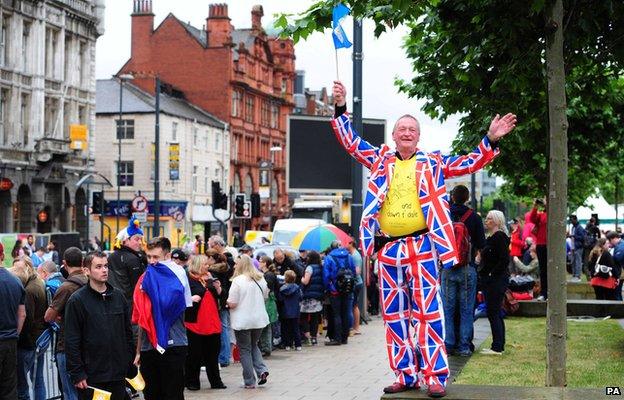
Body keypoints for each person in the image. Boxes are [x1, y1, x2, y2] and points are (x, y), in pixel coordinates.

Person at [330, 81, 515, 397]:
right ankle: (405, 374)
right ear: (393, 135)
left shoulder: (433, 162)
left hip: (424, 247)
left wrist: (489, 140)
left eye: (411, 130)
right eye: (401, 129)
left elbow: (468, 162)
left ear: (418, 136)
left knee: (429, 312)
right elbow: (351, 143)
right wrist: (340, 107)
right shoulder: (380, 159)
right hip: (389, 249)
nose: (405, 133)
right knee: (394, 314)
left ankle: (435, 376)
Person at [64, 251, 135, 400]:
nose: (104, 270)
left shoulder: (118, 297)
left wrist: (128, 361)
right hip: (92, 376)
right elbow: (72, 340)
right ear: (86, 271)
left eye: (106, 266)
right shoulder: (77, 301)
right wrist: (77, 373)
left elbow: (127, 333)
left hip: (118, 374)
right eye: (98, 266)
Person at [132, 236, 192, 400]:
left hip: (173, 344)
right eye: (148, 256)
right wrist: (138, 351)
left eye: (156, 257)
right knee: (151, 394)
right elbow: (142, 318)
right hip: (148, 346)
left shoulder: (177, 274)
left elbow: (169, 305)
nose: (151, 261)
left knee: (172, 394)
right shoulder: (146, 277)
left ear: (167, 256)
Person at [440, 185, 485, 357]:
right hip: (467, 267)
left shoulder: (444, 214)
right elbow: (481, 243)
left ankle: (449, 344)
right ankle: (465, 345)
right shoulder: (473, 217)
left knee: (448, 308)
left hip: (447, 267)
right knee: (467, 309)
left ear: (452, 196)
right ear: (467, 198)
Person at [44, 247, 86, 400]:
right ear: (82, 262)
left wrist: (59, 317)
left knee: (69, 392)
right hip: (88, 344)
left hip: (66, 345)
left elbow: (48, 316)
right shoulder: (90, 281)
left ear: (64, 263)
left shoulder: (66, 287)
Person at [227, 254, 270, 389]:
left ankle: (249, 381)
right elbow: (265, 297)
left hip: (243, 321)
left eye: (236, 263)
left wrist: (226, 303)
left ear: (240, 265)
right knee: (253, 345)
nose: (234, 265)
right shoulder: (261, 278)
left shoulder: (238, 280)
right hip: (259, 319)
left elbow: (233, 303)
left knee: (244, 349)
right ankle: (262, 370)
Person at [184, 255, 225, 391]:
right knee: (194, 355)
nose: (208, 267)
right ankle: (192, 382)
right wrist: (191, 298)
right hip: (195, 323)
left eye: (208, 264)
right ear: (197, 265)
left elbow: (220, 296)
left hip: (212, 322)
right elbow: (181, 297)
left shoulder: (210, 277)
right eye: (205, 264)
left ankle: (216, 381)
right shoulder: (188, 279)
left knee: (213, 355)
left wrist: (218, 289)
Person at [11, 256, 47, 400]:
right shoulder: (36, 282)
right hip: (37, 339)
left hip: (29, 342)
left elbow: (27, 318)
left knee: (23, 385)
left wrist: (18, 337)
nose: (16, 274)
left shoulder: (30, 289)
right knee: (37, 379)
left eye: (18, 269)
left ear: (27, 268)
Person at [476, 210, 510, 356]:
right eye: (487, 218)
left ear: (496, 221)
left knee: (493, 312)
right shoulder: (491, 238)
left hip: (495, 280)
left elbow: (504, 259)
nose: (486, 220)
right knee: (493, 312)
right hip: (490, 279)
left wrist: (492, 273)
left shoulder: (500, 237)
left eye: (489, 219)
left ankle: (497, 346)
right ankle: (498, 344)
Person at [0, 243, 26, 400]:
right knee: (9, 390)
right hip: (9, 341)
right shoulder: (15, 281)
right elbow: (22, 314)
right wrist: (14, 334)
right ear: (2, 256)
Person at [107, 217, 147, 310]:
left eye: (141, 240)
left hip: (113, 303)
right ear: (125, 240)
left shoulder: (111, 256)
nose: (140, 243)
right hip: (130, 306)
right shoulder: (133, 259)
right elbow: (138, 287)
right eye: (137, 239)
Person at [207, 235, 235, 368]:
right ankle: (225, 355)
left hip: (219, 301)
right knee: (225, 327)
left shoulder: (214, 271)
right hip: (225, 299)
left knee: (222, 328)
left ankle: (223, 357)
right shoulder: (226, 266)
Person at [322, 240, 356, 346]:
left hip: (335, 290)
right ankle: (345, 337)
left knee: (336, 314)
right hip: (347, 289)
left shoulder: (329, 258)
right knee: (346, 312)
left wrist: (329, 287)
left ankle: (337, 338)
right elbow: (353, 271)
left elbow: (326, 276)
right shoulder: (349, 256)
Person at [300, 251, 324, 346]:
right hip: (318, 295)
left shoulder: (309, 268)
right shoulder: (320, 267)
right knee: (315, 317)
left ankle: (307, 335)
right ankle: (314, 338)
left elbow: (306, 281)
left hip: (308, 295)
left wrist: (301, 279)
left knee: (303, 316)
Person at [258, 256, 279, 355]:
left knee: (267, 325)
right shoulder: (266, 274)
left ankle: (266, 347)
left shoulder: (268, 275)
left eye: (260, 261)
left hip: (268, 302)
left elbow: (268, 289)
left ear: (265, 263)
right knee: (267, 325)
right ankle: (267, 347)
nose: (258, 262)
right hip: (268, 301)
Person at [528, 198, 548, 301]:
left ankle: (550, 292)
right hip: (541, 245)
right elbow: (532, 218)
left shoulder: (552, 214)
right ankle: (544, 293)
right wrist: (535, 206)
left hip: (551, 245)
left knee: (551, 270)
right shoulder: (541, 215)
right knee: (543, 270)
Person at [279, 270, 302, 351]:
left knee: (286, 329)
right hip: (295, 311)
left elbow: (280, 300)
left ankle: (287, 344)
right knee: (296, 328)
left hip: (285, 311)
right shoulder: (297, 288)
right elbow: (300, 297)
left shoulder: (282, 289)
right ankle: (298, 345)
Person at [346, 239, 364, 336]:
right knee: (354, 305)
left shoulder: (355, 256)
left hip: (356, 283)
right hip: (357, 282)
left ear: (351, 244)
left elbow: (357, 271)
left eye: (347, 242)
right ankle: (355, 327)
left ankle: (356, 327)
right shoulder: (353, 254)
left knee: (354, 305)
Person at [606, 231, 624, 301]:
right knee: (618, 292)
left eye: (610, 241)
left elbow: (618, 258)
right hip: (620, 271)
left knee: (617, 293)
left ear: (614, 239)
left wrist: (610, 257)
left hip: (620, 272)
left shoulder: (621, 246)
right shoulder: (620, 245)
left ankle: (618, 310)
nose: (610, 243)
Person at [569, 215, 586, 283]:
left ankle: (578, 276)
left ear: (575, 219)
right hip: (573, 247)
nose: (571, 221)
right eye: (570, 220)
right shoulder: (573, 227)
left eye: (572, 220)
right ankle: (574, 275)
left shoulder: (579, 228)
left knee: (578, 262)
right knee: (573, 262)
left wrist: (573, 236)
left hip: (578, 247)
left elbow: (582, 237)